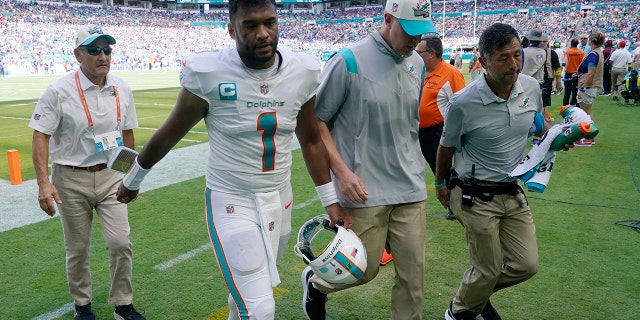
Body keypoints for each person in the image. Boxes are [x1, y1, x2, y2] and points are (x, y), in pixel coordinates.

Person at [116, 0, 350, 319]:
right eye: (250, 25)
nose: (263, 33)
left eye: (270, 23)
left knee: (249, 293)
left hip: (280, 198)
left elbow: (309, 139)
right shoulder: (209, 73)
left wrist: (330, 201)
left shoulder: (303, 70)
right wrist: (133, 179)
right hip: (231, 199)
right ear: (231, 29)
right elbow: (169, 134)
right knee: (259, 307)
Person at [301, 0, 435, 319]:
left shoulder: (417, 63)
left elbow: (407, 124)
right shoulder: (348, 61)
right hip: (364, 188)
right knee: (363, 270)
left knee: (413, 280)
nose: (415, 41)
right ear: (388, 19)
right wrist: (342, 172)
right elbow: (316, 121)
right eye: (409, 31)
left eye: (421, 34)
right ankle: (316, 284)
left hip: (410, 187)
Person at [434, 23, 567, 320]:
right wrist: (440, 182)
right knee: (488, 267)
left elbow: (539, 125)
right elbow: (446, 147)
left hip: (512, 191)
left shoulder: (531, 87)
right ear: (483, 62)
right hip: (473, 194)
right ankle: (458, 313)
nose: (514, 64)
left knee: (526, 265)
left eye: (517, 55)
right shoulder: (463, 103)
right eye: (503, 58)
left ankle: (473, 298)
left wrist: (557, 136)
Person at [29, 25, 145, 320]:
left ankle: (123, 305)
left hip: (110, 176)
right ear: (78, 54)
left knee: (121, 242)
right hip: (70, 179)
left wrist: (130, 178)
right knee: (77, 248)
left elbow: (127, 133)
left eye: (107, 50)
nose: (102, 56)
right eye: (94, 50)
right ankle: (82, 306)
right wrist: (44, 183)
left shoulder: (122, 87)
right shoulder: (59, 90)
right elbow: (40, 134)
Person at [416, 33, 465, 220]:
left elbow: (462, 104)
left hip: (438, 131)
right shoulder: (419, 71)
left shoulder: (451, 73)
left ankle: (454, 205)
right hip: (417, 132)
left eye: (419, 52)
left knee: (444, 170)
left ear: (432, 53)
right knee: (430, 168)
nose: (416, 54)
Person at [575, 31, 605, 146]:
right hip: (591, 85)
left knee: (584, 113)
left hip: (588, 86)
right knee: (587, 112)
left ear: (591, 41)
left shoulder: (593, 54)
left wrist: (583, 89)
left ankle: (589, 137)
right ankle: (589, 136)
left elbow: (591, 73)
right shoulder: (598, 52)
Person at [562, 38, 585, 106]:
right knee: (576, 91)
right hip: (578, 74)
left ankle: (565, 106)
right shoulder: (582, 53)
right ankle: (576, 104)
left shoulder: (567, 52)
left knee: (567, 92)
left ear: (571, 44)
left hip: (568, 73)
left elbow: (564, 63)